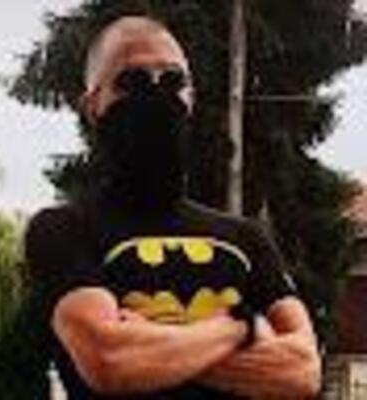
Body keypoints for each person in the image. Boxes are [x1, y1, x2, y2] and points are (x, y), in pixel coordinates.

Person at [25, 15, 322, 399]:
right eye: (132, 81)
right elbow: (112, 359)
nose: (156, 93)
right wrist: (241, 327)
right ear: (92, 104)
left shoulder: (247, 238)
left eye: (172, 80)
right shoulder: (62, 229)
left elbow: (302, 370)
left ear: (190, 98)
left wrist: (156, 344)